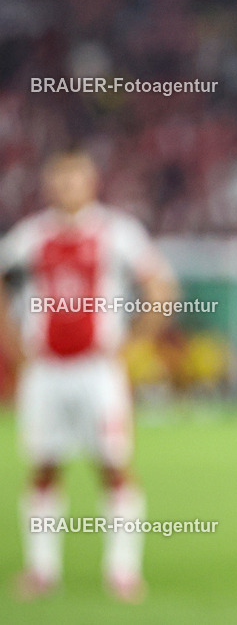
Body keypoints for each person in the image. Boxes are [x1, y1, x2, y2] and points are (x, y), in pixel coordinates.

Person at [0, 152, 177, 603]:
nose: (66, 188)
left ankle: (122, 571)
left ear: (92, 183)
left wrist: (136, 343)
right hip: (45, 370)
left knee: (113, 464)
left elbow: (161, 286)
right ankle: (41, 570)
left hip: (97, 371)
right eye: (59, 181)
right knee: (44, 465)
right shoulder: (31, 235)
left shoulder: (117, 232)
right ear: (48, 185)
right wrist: (12, 343)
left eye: (75, 180)